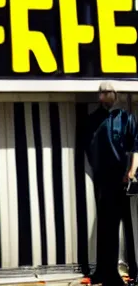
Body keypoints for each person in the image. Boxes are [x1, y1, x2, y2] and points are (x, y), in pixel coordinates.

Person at [84, 82, 138, 286]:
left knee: (127, 225)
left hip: (123, 178)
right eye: (102, 93)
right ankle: (106, 270)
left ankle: (131, 269)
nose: (105, 96)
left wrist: (131, 172)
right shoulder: (93, 120)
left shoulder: (126, 118)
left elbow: (135, 146)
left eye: (109, 93)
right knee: (107, 226)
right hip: (104, 180)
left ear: (115, 95)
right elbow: (90, 150)